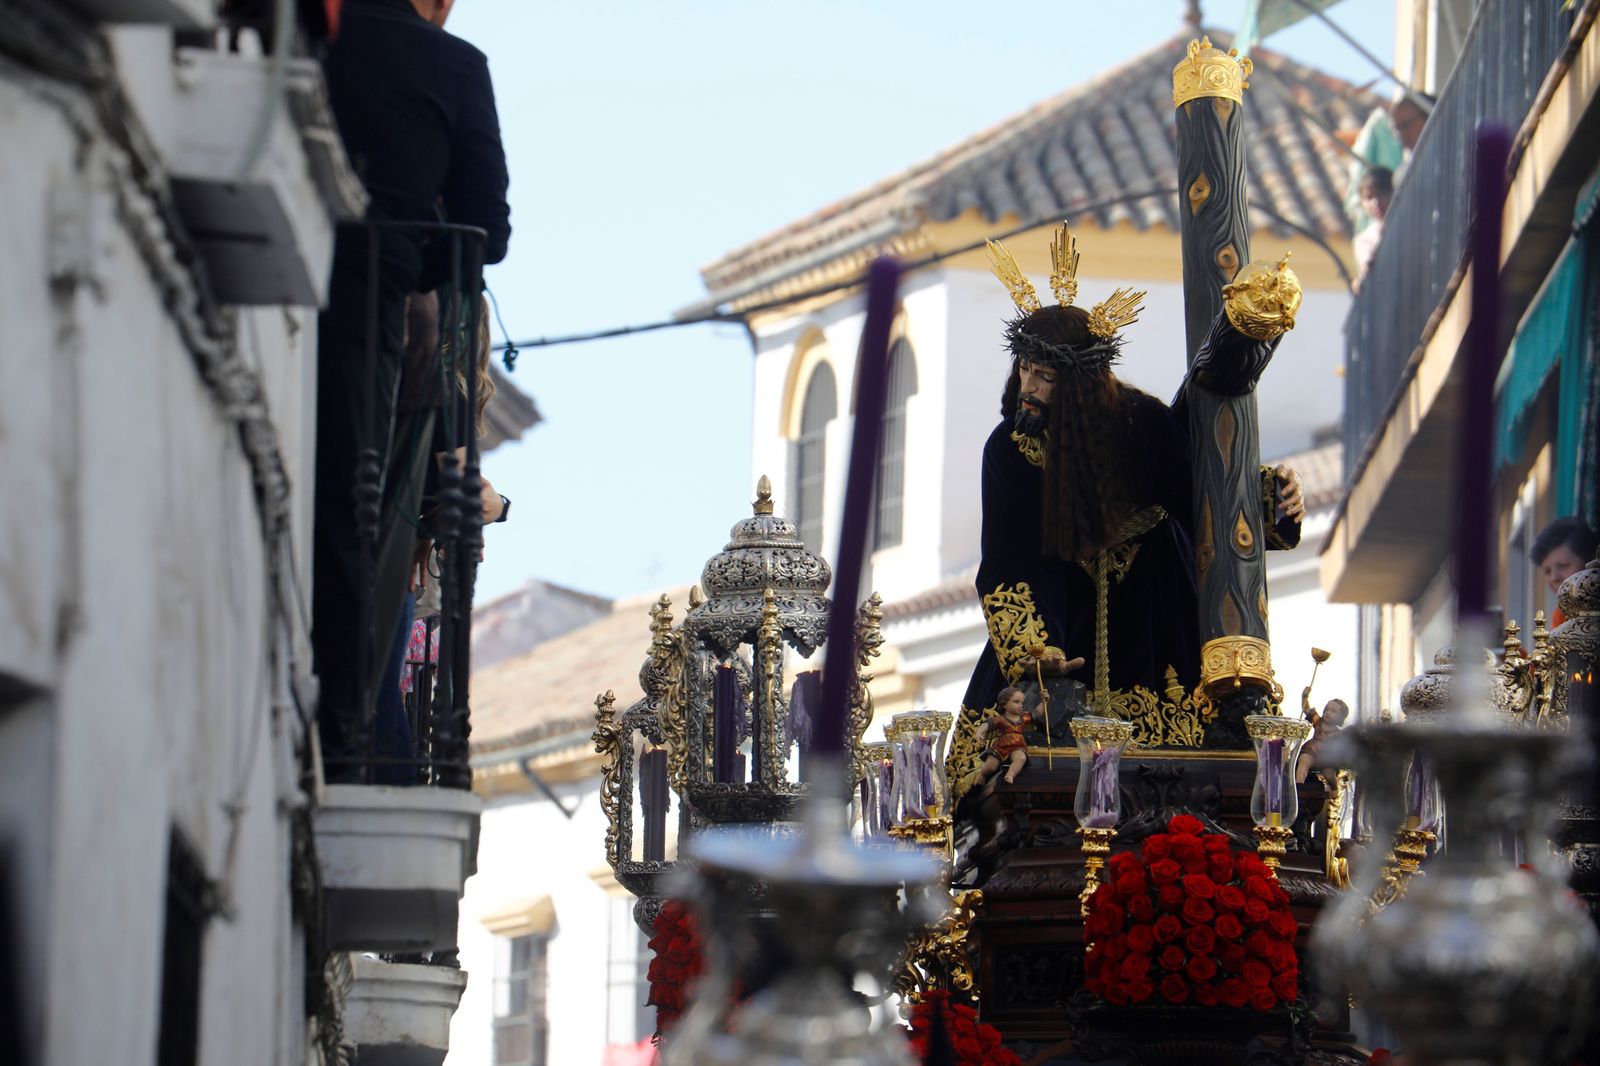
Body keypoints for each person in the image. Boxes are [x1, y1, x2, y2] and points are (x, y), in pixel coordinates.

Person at [957, 226, 1303, 767]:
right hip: (1059, 626)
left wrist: (1272, 500)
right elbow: (1009, 564)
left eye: (1046, 377)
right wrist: (1038, 657)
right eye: (1025, 370)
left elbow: (1206, 495)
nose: (1029, 388)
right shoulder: (1010, 450)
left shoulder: (1143, 424)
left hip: (1154, 615)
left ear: (1078, 388)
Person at [313, 0, 511, 780]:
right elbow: (486, 231)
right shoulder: (452, 65)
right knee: (362, 547)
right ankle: (349, 741)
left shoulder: (314, 36)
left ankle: (345, 734)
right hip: (370, 325)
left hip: (315, 305)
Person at [1531, 517, 1597, 627]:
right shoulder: (1561, 613)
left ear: (1590, 562)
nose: (1553, 578)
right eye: (1547, 572)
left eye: (1563, 566)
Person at [977, 687, 1032, 786]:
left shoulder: (1023, 718)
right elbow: (988, 724)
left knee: (1021, 758)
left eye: (1022, 703)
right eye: (1016, 702)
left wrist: (1044, 702)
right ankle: (982, 774)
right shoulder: (1001, 719)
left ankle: (1011, 774)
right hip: (1000, 748)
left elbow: (1037, 713)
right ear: (1004, 704)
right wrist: (980, 732)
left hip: (1018, 746)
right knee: (991, 767)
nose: (1020, 706)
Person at [1352, 167, 1393, 289]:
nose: (1376, 203)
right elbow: (1366, 268)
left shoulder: (1410, 227)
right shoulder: (1364, 240)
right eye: (1369, 197)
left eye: (1381, 194)